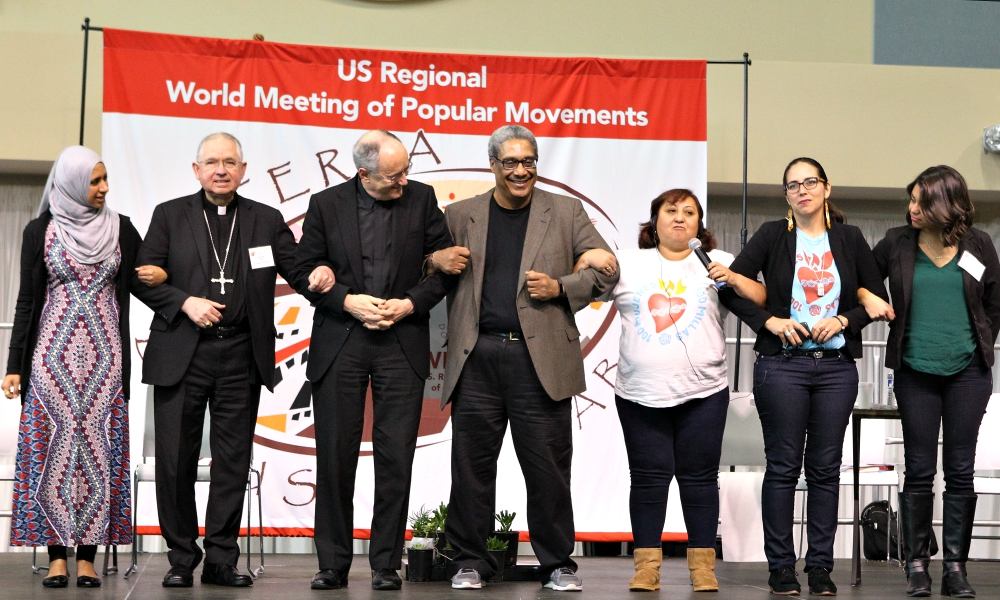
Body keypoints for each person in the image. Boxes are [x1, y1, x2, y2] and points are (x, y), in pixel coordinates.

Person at [134, 132, 333, 588]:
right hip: (182, 351)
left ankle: (221, 559)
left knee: (231, 461)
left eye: (230, 162)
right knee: (174, 461)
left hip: (241, 352)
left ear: (243, 170)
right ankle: (182, 558)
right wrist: (185, 302)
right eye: (212, 162)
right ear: (196, 169)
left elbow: (297, 268)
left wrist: (318, 274)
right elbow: (142, 277)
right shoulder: (169, 215)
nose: (220, 169)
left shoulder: (265, 219)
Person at [430, 124, 617, 592]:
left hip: (541, 359)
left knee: (548, 467)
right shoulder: (460, 214)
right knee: (471, 466)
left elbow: (607, 271)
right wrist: (435, 262)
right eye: (510, 162)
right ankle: (469, 561)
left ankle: (558, 564)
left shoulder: (567, 211)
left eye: (528, 161)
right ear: (493, 165)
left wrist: (562, 287)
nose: (520, 170)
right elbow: (421, 262)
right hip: (478, 356)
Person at [573, 189, 764, 592]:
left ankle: (702, 569)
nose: (680, 218)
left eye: (689, 212)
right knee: (647, 480)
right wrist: (588, 257)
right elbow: (583, 290)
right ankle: (646, 568)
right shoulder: (627, 262)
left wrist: (731, 278)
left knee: (698, 478)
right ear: (654, 221)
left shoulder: (718, 262)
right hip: (639, 394)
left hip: (705, 393)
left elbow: (761, 299)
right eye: (671, 211)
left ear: (699, 225)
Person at [290, 130, 454, 591]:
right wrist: (344, 299)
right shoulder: (326, 204)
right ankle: (333, 564)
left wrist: (408, 304)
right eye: (394, 175)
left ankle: (385, 565)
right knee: (335, 457)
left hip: (401, 340)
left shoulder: (422, 199)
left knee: (395, 456)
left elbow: (444, 271)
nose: (404, 180)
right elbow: (304, 270)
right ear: (363, 173)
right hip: (341, 340)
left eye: (406, 171)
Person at [3, 146, 166, 588]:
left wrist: (167, 280)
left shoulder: (122, 230)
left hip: (105, 361)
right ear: (72, 182)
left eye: (105, 179)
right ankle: (57, 557)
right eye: (94, 181)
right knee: (52, 454)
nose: (103, 188)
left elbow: (138, 281)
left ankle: (89, 557)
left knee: (98, 453)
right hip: (49, 361)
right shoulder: (41, 230)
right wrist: (14, 364)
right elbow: (27, 301)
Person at [725, 157, 889, 596]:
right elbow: (730, 286)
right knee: (781, 468)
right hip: (782, 367)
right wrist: (769, 323)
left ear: (826, 188)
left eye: (810, 182)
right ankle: (780, 567)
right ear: (786, 196)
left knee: (824, 471)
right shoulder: (772, 235)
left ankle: (820, 567)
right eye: (792, 185)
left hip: (835, 369)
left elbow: (875, 300)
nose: (802, 190)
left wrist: (843, 322)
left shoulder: (850, 238)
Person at [858, 166, 1000, 598]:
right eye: (911, 200)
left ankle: (955, 568)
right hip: (914, 371)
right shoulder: (897, 243)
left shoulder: (979, 244)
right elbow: (861, 279)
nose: (911, 208)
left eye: (920, 201)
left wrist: (981, 343)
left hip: (969, 374)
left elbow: (996, 304)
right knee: (919, 470)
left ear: (945, 204)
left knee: (960, 471)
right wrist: (869, 297)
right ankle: (916, 566)